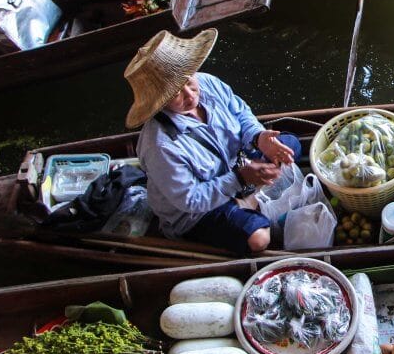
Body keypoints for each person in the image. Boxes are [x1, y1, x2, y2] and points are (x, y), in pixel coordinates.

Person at [124, 28, 301, 255]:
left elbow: (242, 114)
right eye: (175, 94)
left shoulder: (208, 83)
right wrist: (241, 177)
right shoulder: (159, 146)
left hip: (239, 169)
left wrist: (259, 138)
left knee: (290, 145)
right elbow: (191, 200)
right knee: (258, 239)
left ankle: (250, 199)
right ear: (158, 101)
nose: (190, 95)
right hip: (198, 212)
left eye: (189, 81)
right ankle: (250, 201)